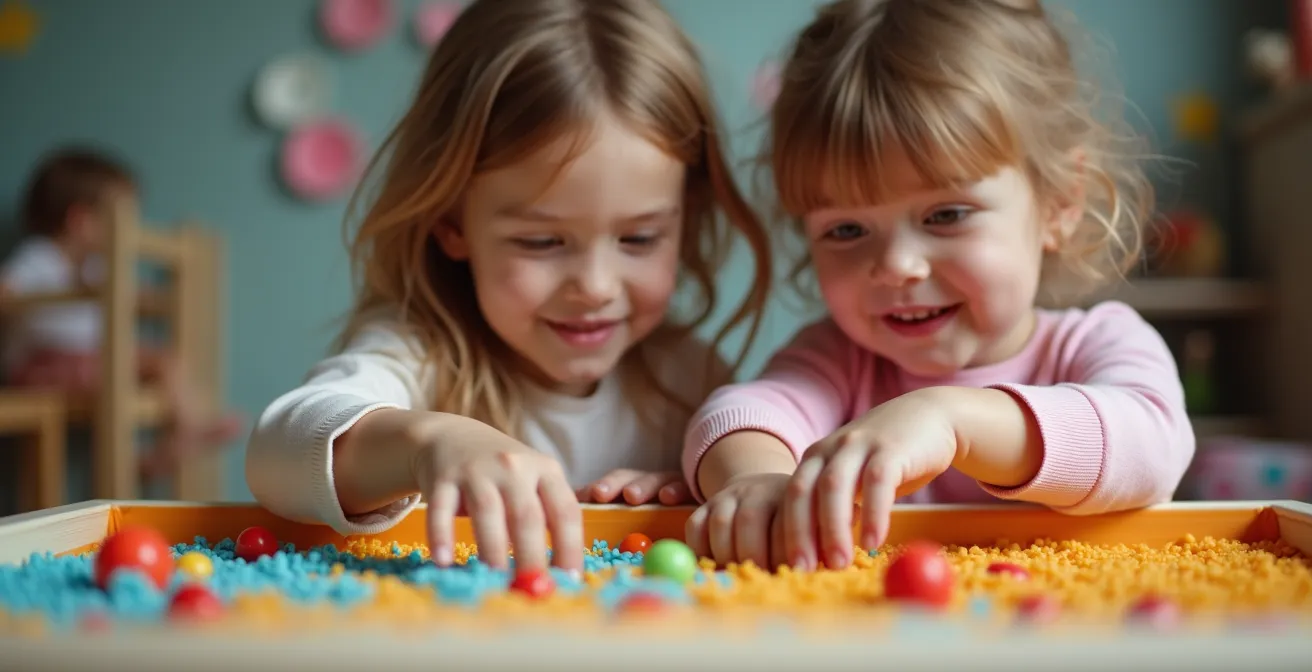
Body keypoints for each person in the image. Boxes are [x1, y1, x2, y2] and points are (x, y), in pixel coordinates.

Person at [245, 0, 771, 575]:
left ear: (684, 218)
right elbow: (275, 457)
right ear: (451, 220)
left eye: (640, 238)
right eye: (542, 242)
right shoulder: (422, 357)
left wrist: (692, 494)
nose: (595, 287)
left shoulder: (692, 384)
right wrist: (429, 444)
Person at [681, 0, 1194, 573]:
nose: (898, 265)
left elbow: (1152, 445)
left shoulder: (1097, 343)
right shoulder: (839, 360)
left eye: (946, 214)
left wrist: (952, 420)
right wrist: (759, 481)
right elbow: (742, 414)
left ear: (1060, 203)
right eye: (846, 229)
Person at [0, 147, 244, 480]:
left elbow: (136, 294)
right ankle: (181, 434)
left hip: (86, 360)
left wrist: (160, 297)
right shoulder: (40, 256)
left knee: (164, 361)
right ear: (81, 221)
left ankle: (170, 445)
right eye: (123, 218)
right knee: (148, 364)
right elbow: (8, 289)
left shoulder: (95, 268)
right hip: (39, 365)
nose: (132, 228)